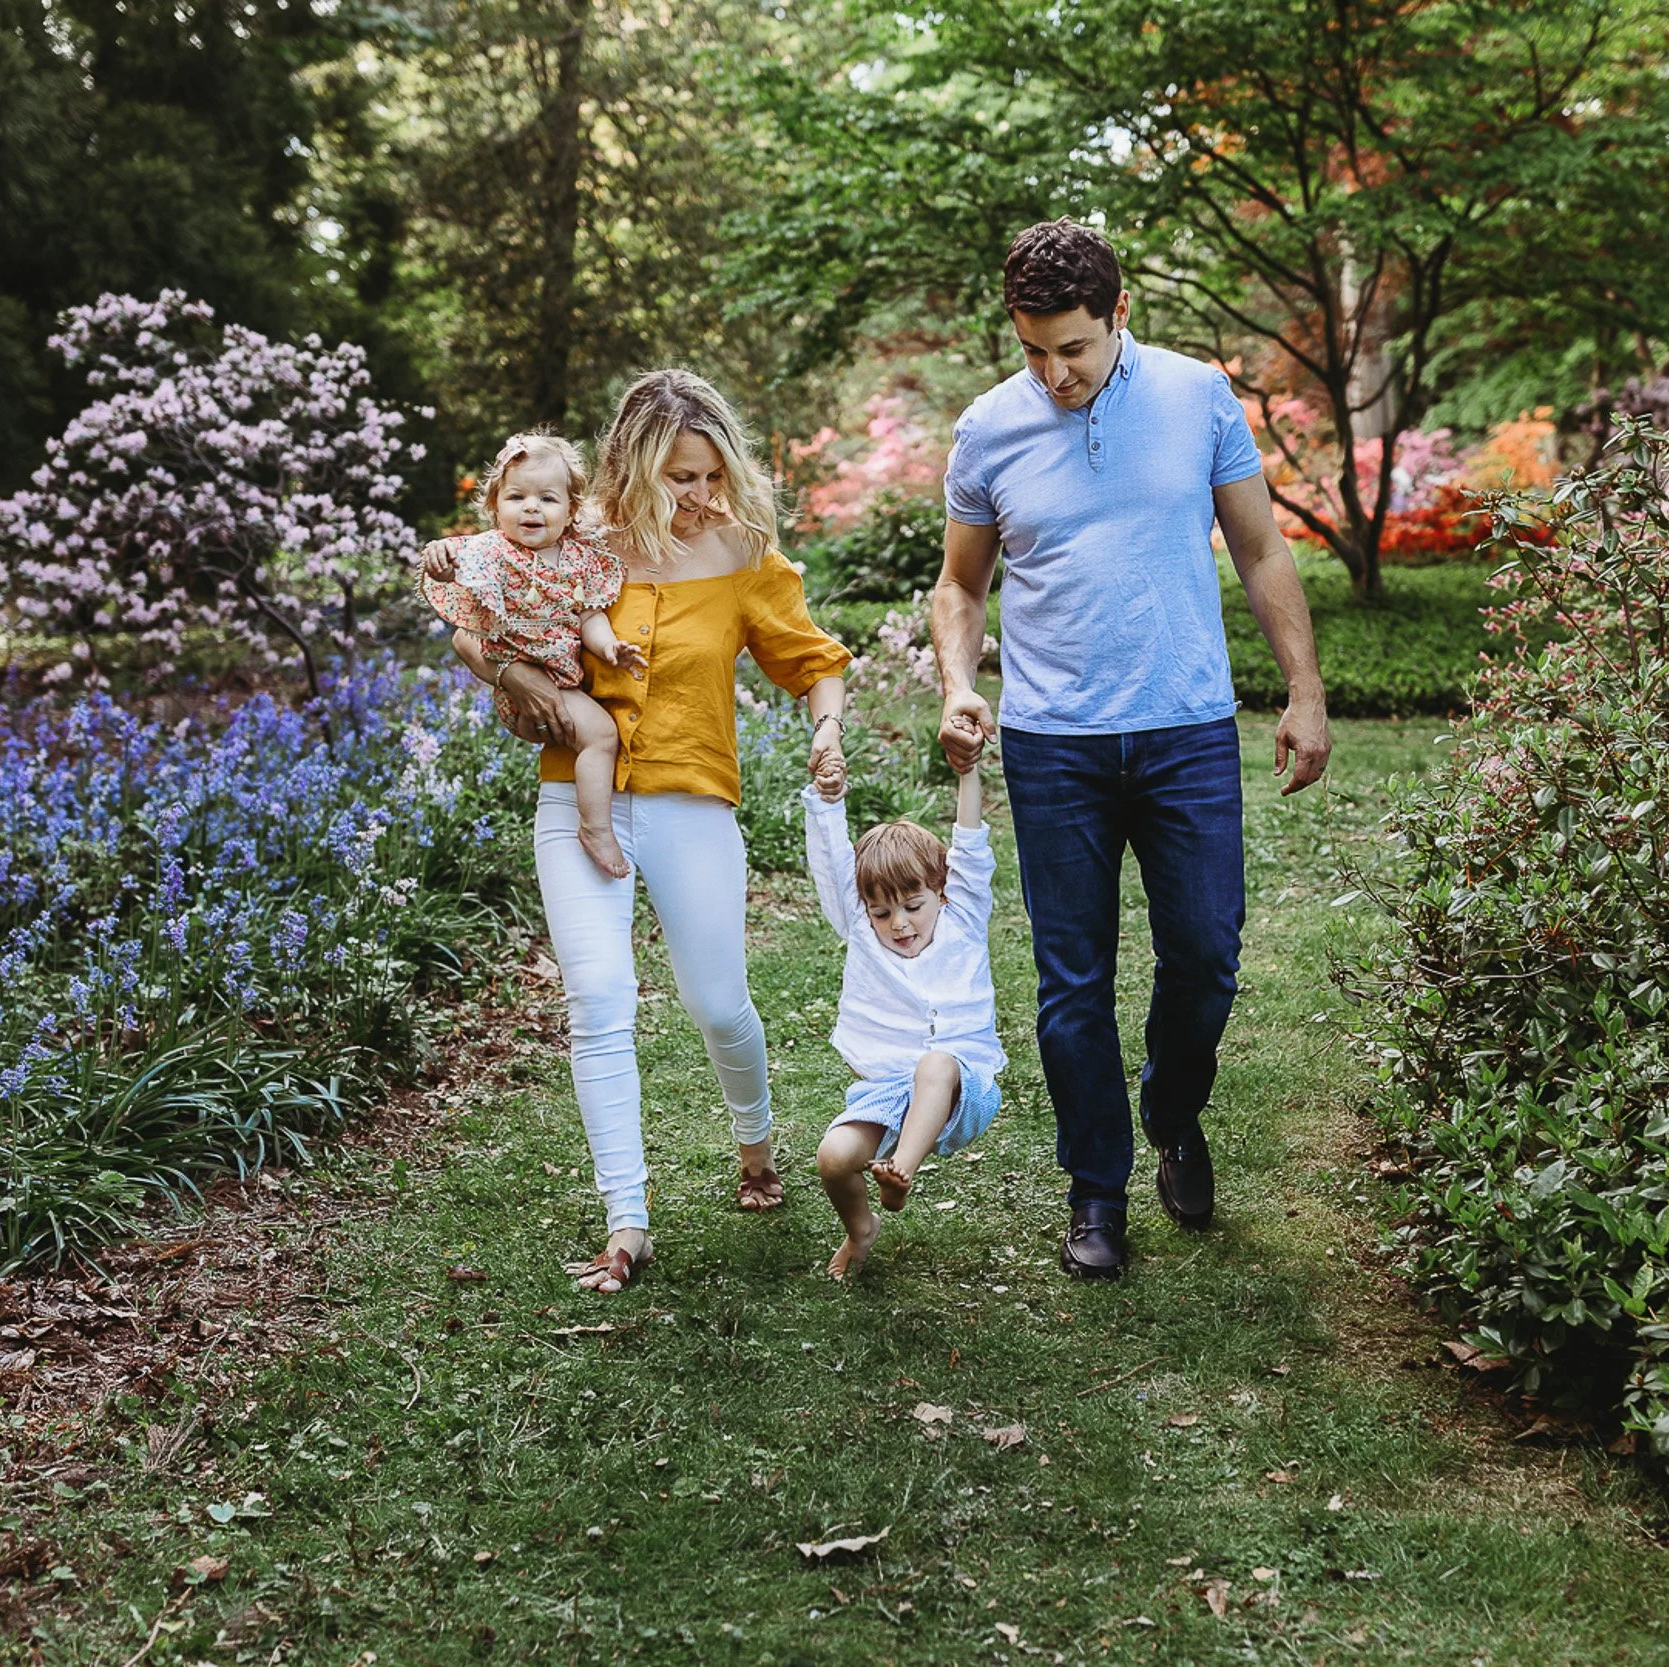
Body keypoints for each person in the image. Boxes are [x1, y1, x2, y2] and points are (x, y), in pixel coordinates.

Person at [931, 219, 1332, 1282]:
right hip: (1053, 743)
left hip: (1185, 730)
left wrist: (1303, 688)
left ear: (1120, 317)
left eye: (1073, 347)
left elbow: (1256, 545)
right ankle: (1095, 1192)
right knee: (1072, 984)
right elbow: (962, 584)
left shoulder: (1197, 396)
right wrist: (959, 682)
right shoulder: (987, 429)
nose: (1053, 373)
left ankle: (1171, 1105)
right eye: (1031, 350)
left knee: (1206, 953)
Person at [461, 370, 853, 1295]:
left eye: (712, 475)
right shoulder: (567, 538)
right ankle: (626, 1222)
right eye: (680, 477)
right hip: (576, 795)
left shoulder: (741, 552)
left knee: (719, 1003)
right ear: (632, 468)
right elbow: (480, 618)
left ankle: (757, 1150)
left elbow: (811, 658)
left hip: (691, 796)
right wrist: (509, 680)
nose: (701, 495)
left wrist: (827, 727)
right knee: (597, 1002)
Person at [802, 740, 1004, 1278]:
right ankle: (861, 1225)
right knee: (835, 1157)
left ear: (941, 892)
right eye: (883, 912)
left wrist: (968, 772)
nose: (899, 924)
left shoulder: (963, 918)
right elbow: (833, 862)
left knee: (935, 1064)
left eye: (913, 906)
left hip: (965, 1084)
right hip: (888, 1089)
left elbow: (969, 844)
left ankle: (899, 1173)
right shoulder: (863, 933)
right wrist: (829, 798)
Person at [420, 431, 643, 879]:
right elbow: (451, 574)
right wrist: (440, 559)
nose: (531, 507)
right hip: (520, 689)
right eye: (516, 496)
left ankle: (595, 817)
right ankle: (595, 827)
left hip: (562, 682)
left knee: (597, 733)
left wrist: (609, 648)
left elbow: (589, 617)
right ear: (495, 506)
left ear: (571, 510)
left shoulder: (582, 560)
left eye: (547, 498)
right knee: (602, 735)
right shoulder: (491, 554)